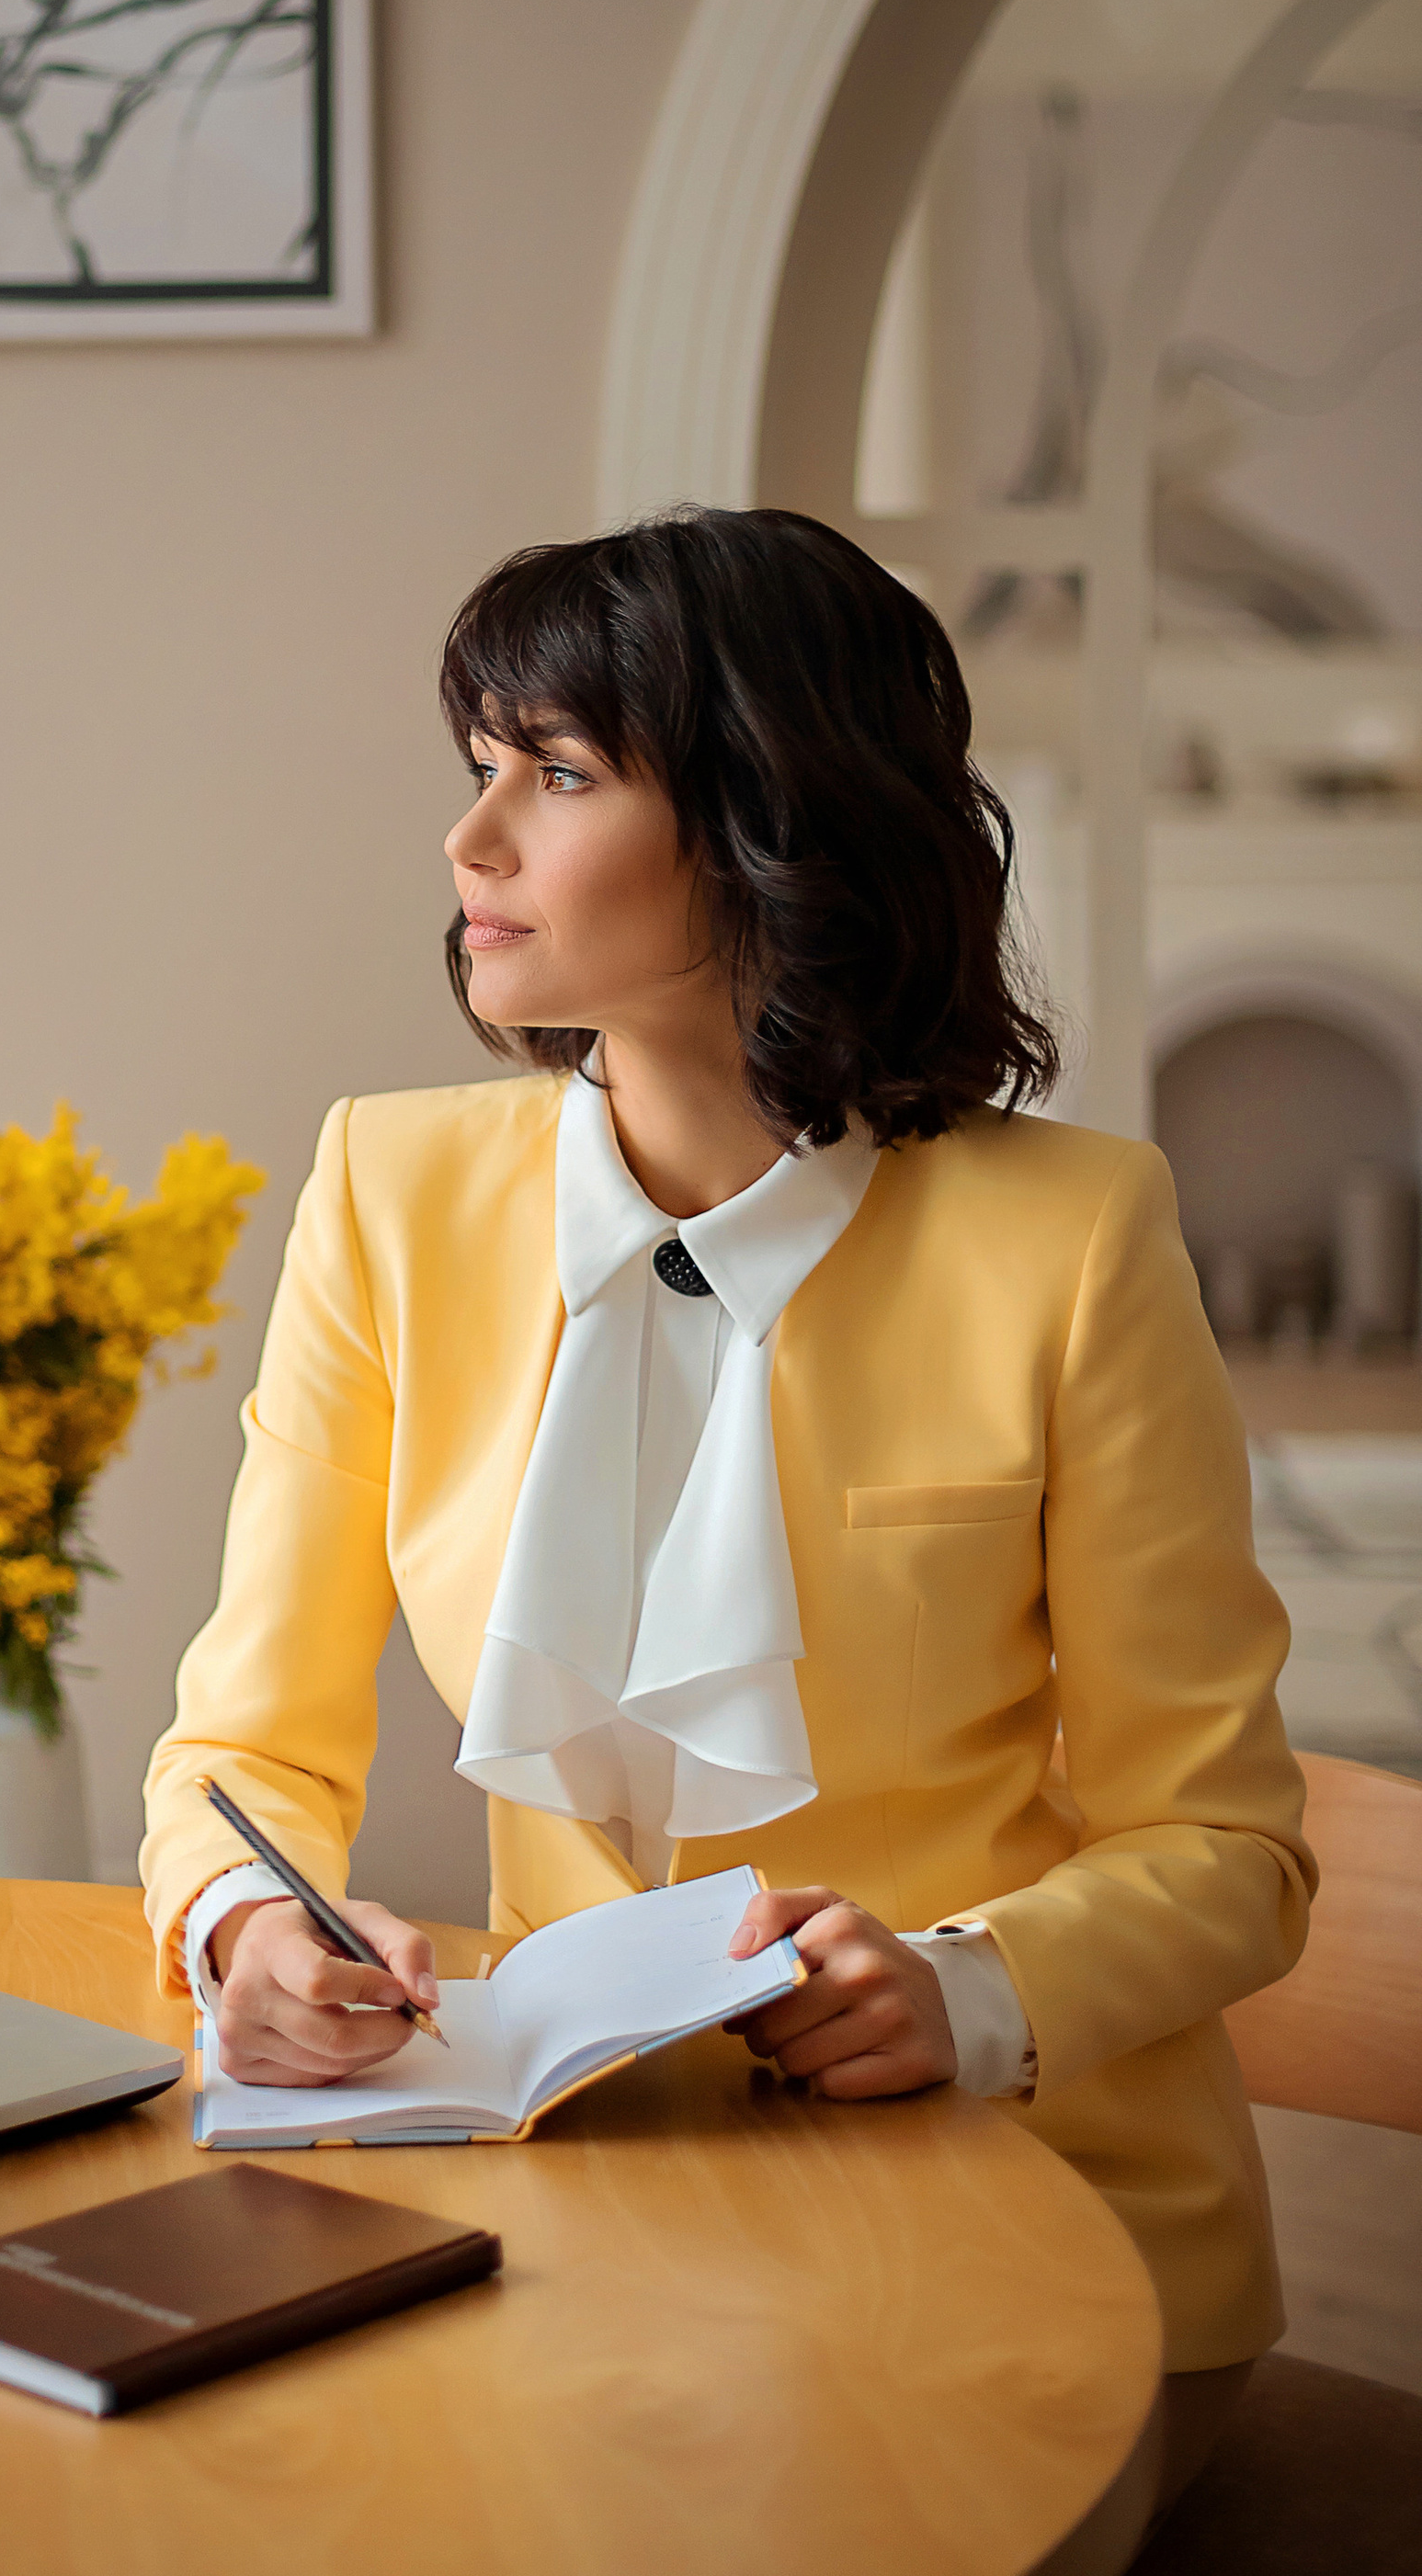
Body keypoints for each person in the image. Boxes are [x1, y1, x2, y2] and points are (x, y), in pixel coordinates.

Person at [140, 508, 1312, 2526]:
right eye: (475, 769)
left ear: (771, 822)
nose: (470, 840)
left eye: (559, 773)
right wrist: (246, 1922)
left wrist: (963, 1989)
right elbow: (237, 1749)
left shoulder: (1069, 1237)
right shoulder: (386, 1195)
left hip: (1032, 2210)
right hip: (585, 2198)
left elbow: (1225, 1851)